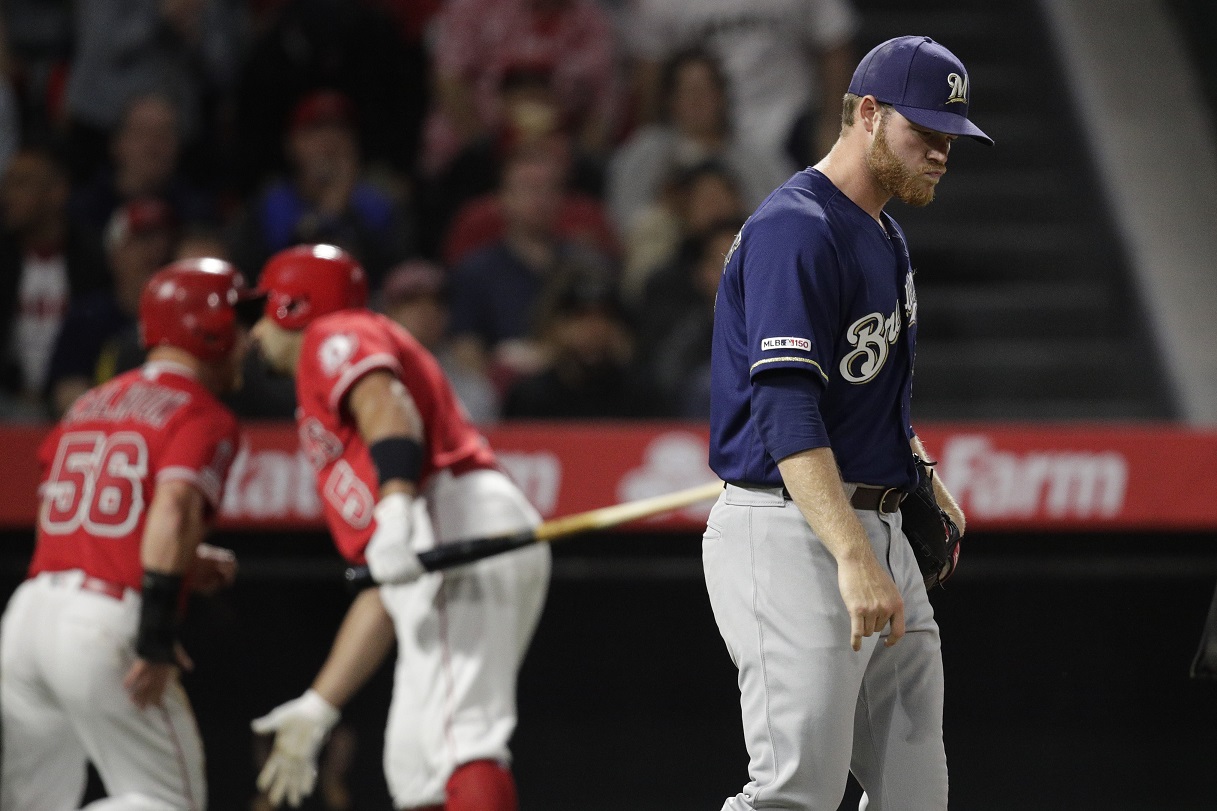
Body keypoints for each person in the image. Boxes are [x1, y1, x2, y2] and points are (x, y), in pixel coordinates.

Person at [703, 36, 988, 809]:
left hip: (873, 525)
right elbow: (785, 403)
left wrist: (918, 469)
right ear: (866, 113)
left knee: (913, 792)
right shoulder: (797, 227)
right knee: (794, 791)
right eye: (923, 132)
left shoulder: (883, 233)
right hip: (793, 530)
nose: (939, 152)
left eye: (949, 138)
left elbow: (864, 394)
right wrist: (852, 555)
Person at [248, 244, 550, 811]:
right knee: (414, 765)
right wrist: (320, 705)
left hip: (451, 511)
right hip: (440, 526)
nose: (255, 330)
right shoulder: (324, 372)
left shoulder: (333, 331)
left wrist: (394, 509)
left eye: (262, 309)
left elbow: (388, 406)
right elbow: (389, 587)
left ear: (293, 304)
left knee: (462, 736)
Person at [0, 258, 258, 810]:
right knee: (164, 801)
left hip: (28, 617)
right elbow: (173, 509)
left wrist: (183, 562)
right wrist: (157, 632)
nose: (249, 337)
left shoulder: (87, 403)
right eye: (240, 320)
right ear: (206, 327)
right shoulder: (200, 412)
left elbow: (83, 519)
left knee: (33, 804)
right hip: (100, 623)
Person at [625, 0, 858, 168]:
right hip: (696, 133)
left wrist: (834, 125)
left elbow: (834, 43)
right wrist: (653, 135)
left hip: (790, 124)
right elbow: (650, 69)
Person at [0, 145, 108, 419]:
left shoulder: (93, 260)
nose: (7, 196)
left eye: (21, 184)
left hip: (77, 399)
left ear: (57, 191)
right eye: (7, 184)